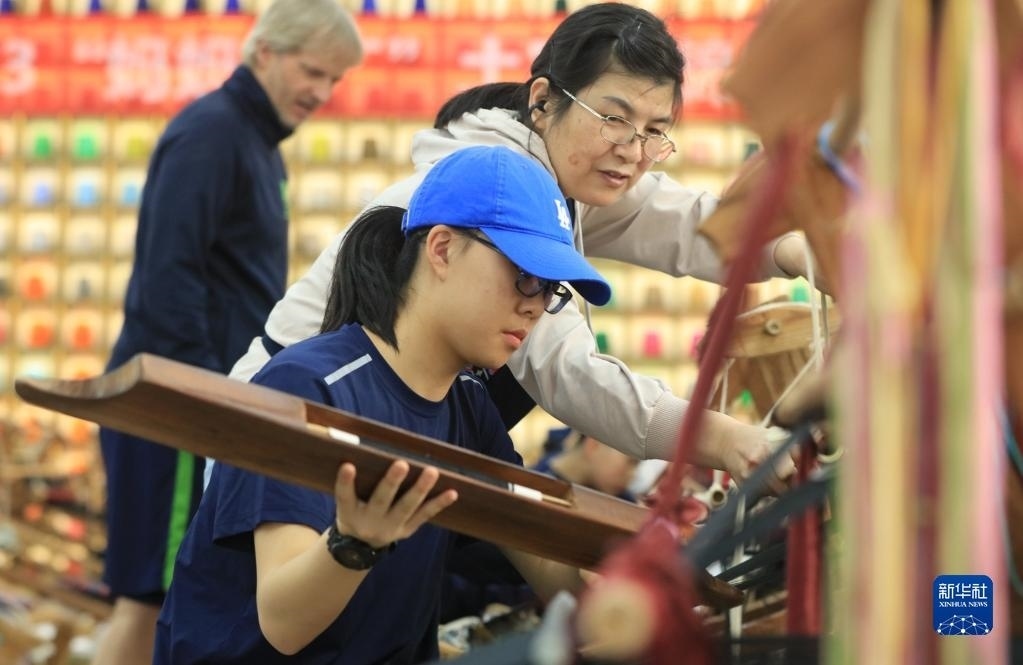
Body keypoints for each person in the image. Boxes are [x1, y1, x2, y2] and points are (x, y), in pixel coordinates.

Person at [228, 4, 807, 493]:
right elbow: (570, 373)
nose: (633, 150)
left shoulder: (561, 174)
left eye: (655, 131)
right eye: (613, 118)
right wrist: (727, 440)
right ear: (544, 100)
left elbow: (683, 222)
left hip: (379, 439)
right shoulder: (501, 188)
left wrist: (792, 251)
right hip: (297, 425)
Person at [153, 145, 610, 664]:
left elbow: (533, 546)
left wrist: (625, 600)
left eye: (551, 290)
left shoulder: (468, 406)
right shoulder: (308, 386)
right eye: (525, 275)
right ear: (442, 249)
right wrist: (354, 543)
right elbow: (282, 624)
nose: (535, 306)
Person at [92, 3, 363, 664]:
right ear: (264, 51)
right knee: (148, 597)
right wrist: (207, 397)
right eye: (312, 71)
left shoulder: (254, 142)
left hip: (203, 400)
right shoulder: (213, 133)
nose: (321, 92)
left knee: (164, 596)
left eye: (334, 80)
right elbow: (168, 279)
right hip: (181, 406)